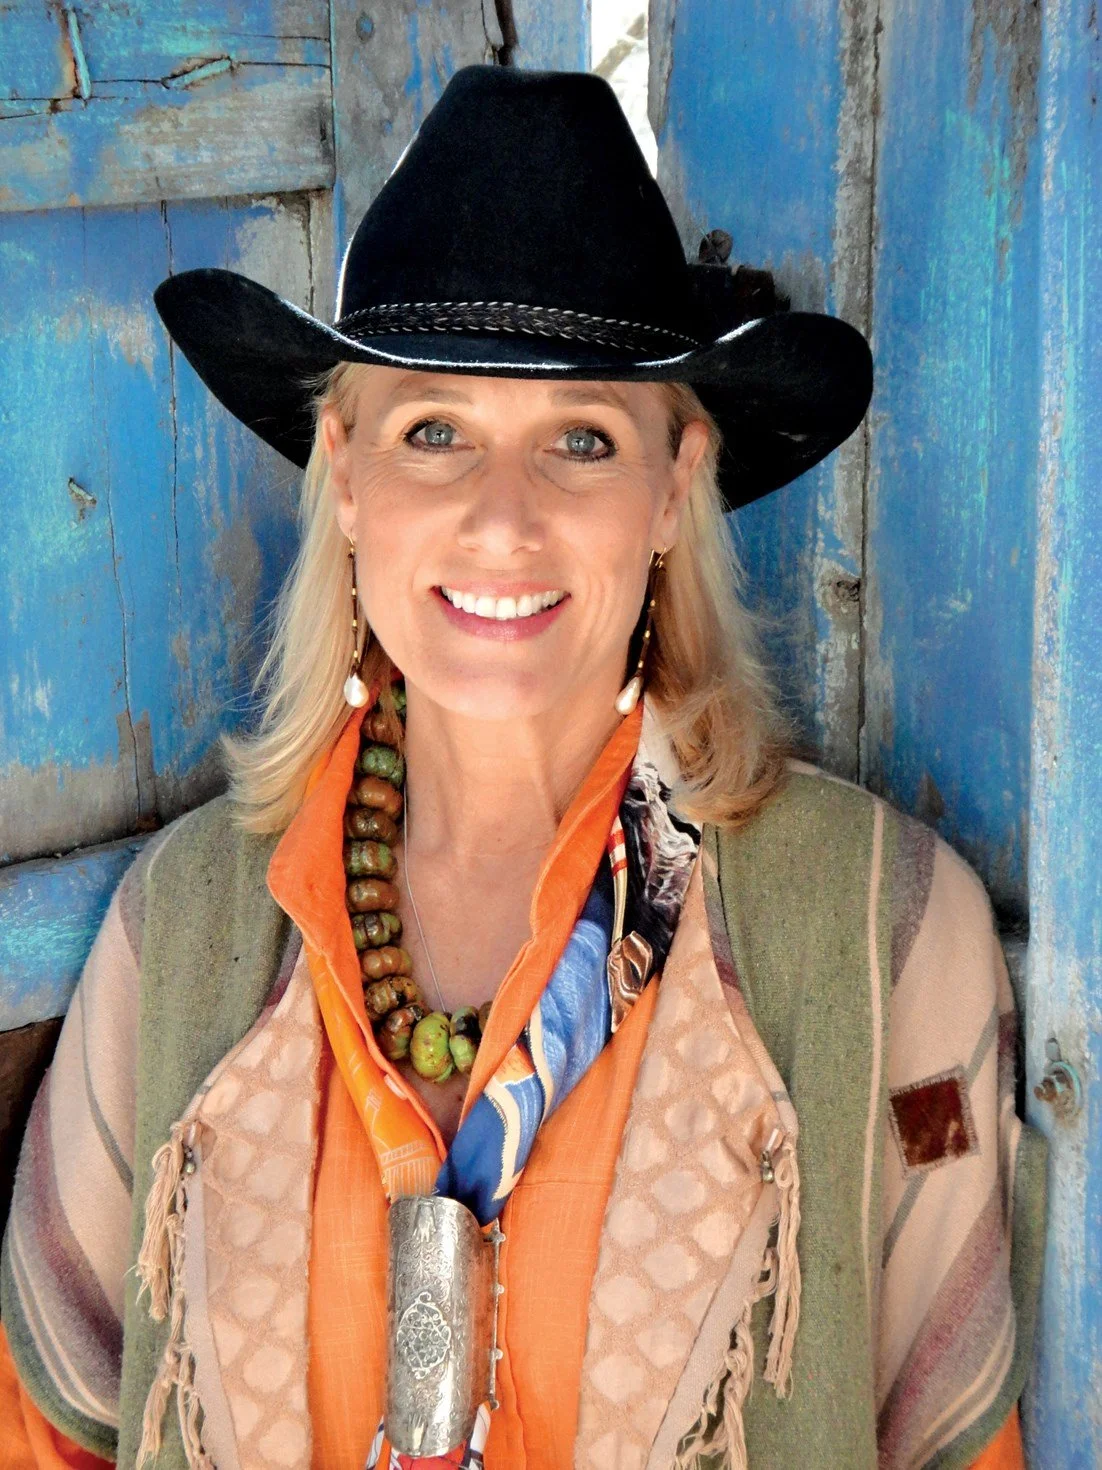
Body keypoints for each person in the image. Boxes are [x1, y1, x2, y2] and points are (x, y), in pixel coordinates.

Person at [0, 65, 1044, 1470]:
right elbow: (42, 1435)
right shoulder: (184, 927)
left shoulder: (876, 929)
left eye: (580, 440)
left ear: (674, 483)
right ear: (346, 472)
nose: (503, 521)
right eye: (434, 431)